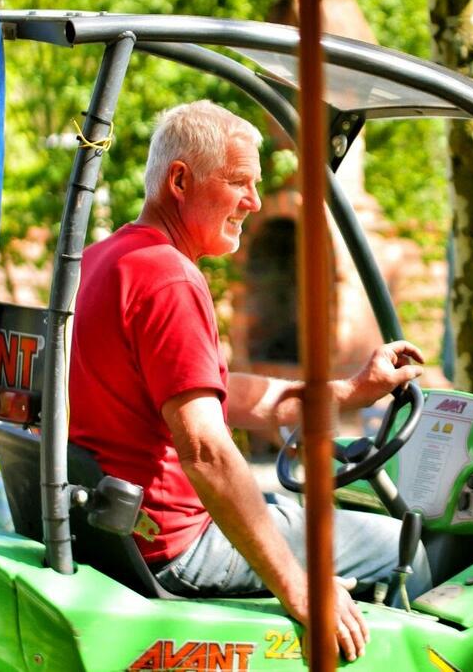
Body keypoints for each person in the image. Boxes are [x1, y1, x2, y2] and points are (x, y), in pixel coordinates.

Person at [68, 100, 431, 662]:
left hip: (126, 531)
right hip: (177, 546)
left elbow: (222, 395)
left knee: (283, 510)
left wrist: (351, 391)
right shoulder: (170, 279)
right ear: (181, 180)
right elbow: (207, 449)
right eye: (239, 182)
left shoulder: (104, 258)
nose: (255, 202)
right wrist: (300, 588)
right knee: (403, 542)